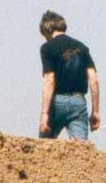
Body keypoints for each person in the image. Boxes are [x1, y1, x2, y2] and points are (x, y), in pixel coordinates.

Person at [38, 10, 100, 140]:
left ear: (46, 31)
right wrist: (95, 111)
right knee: (80, 149)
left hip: (57, 102)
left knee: (43, 148)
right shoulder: (82, 47)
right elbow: (93, 79)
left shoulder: (47, 48)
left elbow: (49, 80)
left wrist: (44, 113)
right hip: (78, 102)